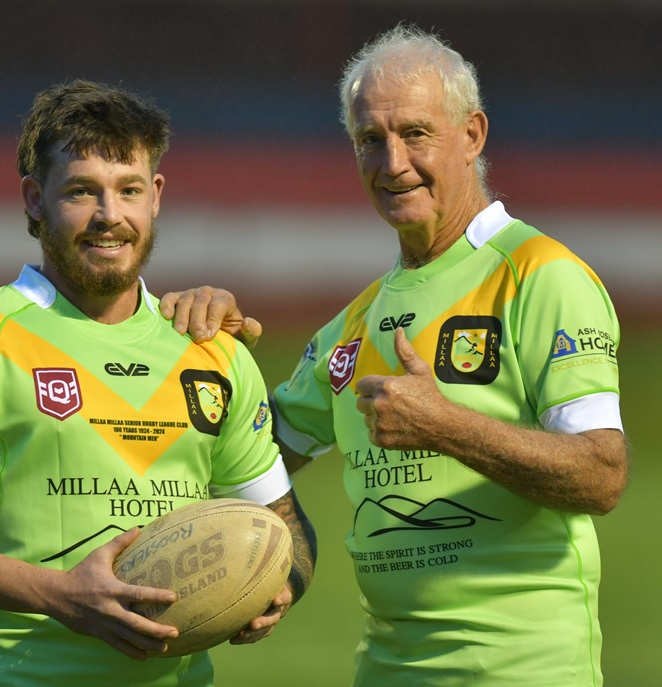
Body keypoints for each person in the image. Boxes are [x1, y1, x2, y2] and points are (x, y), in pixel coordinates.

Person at [161, 24, 629, 687]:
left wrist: (446, 427)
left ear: (472, 135)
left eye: (415, 133)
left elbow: (602, 474)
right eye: (369, 140)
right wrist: (204, 349)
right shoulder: (354, 324)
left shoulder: (540, 274)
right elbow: (241, 456)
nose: (392, 162)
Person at [0, 79, 316, 687]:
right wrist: (61, 595)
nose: (110, 216)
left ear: (155, 196)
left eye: (128, 190)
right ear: (34, 199)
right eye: (82, 191)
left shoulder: (212, 350)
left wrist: (274, 586)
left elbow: (284, 524)